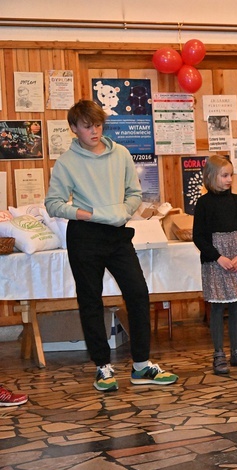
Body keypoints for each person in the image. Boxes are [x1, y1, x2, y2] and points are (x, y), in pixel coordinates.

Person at [45, 100, 178, 392]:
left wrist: (122, 211)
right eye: (87, 126)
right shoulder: (67, 162)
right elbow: (53, 204)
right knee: (90, 300)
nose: (94, 131)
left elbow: (134, 193)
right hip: (85, 235)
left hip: (117, 233)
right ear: (74, 129)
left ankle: (142, 365)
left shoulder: (120, 154)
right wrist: (88, 214)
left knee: (138, 293)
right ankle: (102, 367)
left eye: (98, 125)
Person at [193, 155, 237, 375]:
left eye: (231, 175)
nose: (229, 179)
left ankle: (236, 351)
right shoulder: (203, 204)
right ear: (211, 177)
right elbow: (199, 237)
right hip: (217, 261)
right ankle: (218, 353)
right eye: (225, 175)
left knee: (235, 305)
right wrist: (217, 257)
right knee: (218, 305)